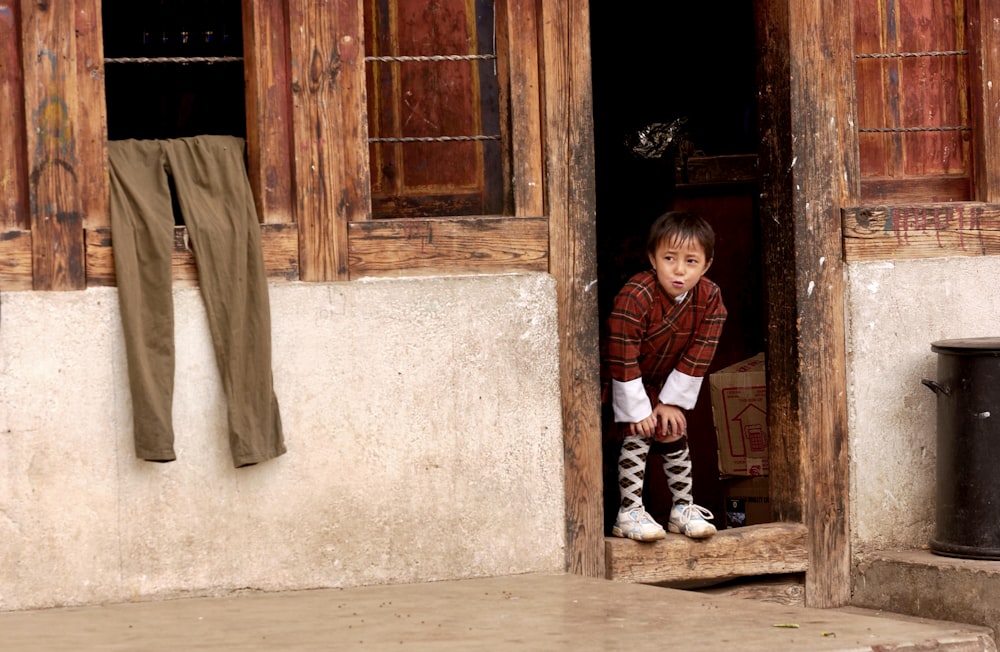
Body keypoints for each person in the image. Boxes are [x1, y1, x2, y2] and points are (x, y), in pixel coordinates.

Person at [602, 210, 727, 541]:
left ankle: (681, 508)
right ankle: (629, 511)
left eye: (690, 261)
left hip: (662, 383)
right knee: (638, 430)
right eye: (669, 258)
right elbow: (622, 349)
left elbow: (701, 350)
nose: (679, 269)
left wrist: (671, 403)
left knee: (672, 428)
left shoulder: (710, 297)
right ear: (652, 258)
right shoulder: (637, 293)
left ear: (706, 265)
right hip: (622, 379)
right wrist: (637, 408)